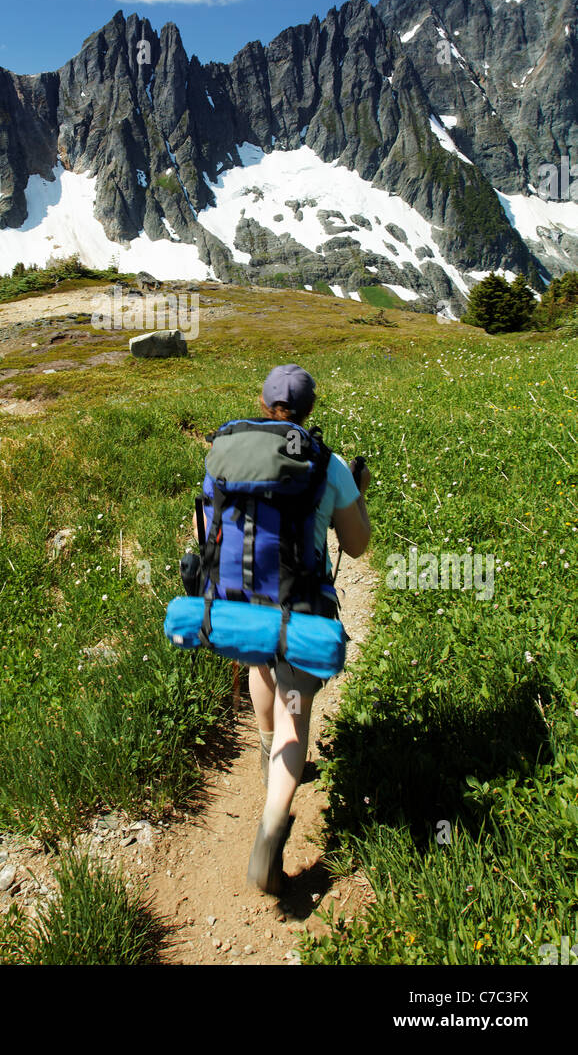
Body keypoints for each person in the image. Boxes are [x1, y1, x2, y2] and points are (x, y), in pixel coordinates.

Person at [244, 363, 372, 896]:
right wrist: (355, 493)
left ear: (263, 403)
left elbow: (210, 525)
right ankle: (273, 827)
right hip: (301, 609)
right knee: (299, 715)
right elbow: (358, 544)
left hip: (243, 605)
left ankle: (265, 749)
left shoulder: (235, 449)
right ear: (310, 409)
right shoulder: (329, 463)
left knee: (260, 667)